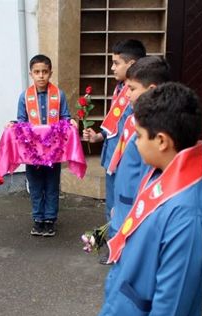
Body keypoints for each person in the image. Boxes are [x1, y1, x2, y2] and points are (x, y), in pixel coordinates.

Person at [90, 82, 202, 316]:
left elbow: (174, 297)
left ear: (161, 141)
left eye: (138, 134)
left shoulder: (188, 212)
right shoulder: (163, 174)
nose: (133, 140)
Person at [82, 40, 146, 243]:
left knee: (128, 204)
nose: (112, 68)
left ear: (132, 63)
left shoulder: (141, 95)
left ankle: (125, 247)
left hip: (129, 162)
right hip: (112, 158)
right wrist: (98, 136)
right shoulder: (120, 88)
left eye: (116, 63)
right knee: (112, 204)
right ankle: (113, 243)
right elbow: (115, 123)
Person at [109, 56, 171, 243]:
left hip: (135, 213)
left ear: (151, 90)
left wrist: (129, 209)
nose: (126, 94)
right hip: (123, 206)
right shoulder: (134, 121)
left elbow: (148, 179)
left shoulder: (153, 133)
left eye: (132, 89)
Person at [16, 54, 75, 237]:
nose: (41, 76)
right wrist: (13, 125)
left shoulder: (59, 95)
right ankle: (38, 219)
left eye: (44, 72)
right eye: (37, 72)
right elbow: (21, 121)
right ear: (31, 74)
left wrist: (70, 122)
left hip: (52, 152)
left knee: (51, 185)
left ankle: (50, 220)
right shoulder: (24, 97)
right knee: (35, 186)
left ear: (50, 73)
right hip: (32, 153)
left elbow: (64, 117)